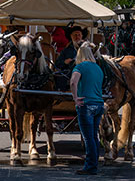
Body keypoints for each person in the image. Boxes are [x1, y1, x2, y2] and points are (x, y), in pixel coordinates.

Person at [70, 42, 104, 175]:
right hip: (98, 104)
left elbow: (73, 82)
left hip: (86, 104)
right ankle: (94, 163)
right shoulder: (98, 68)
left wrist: (75, 97)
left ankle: (90, 166)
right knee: (94, 136)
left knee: (88, 137)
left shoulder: (80, 67)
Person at [55, 26, 88, 91]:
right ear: (71, 36)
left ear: (82, 36)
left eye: (79, 35)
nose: (77, 37)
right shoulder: (66, 50)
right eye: (75, 35)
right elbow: (57, 64)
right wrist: (65, 62)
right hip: (69, 73)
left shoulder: (87, 49)